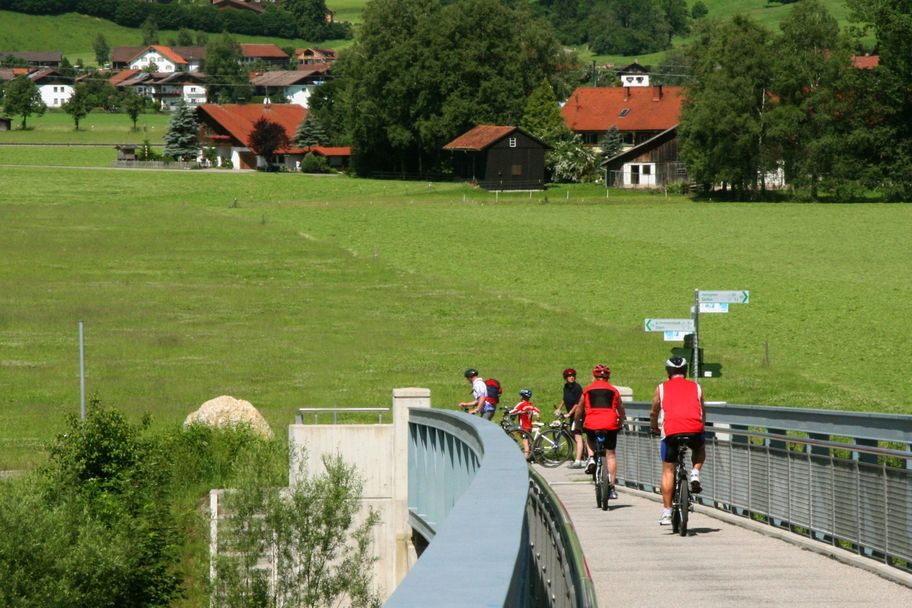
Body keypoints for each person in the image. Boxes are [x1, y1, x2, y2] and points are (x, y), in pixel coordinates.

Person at [649, 356, 706, 526]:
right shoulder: (696, 387)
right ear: (686, 370)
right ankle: (695, 473)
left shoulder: (661, 388)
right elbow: (703, 409)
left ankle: (667, 512)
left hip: (672, 431)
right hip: (694, 429)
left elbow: (654, 411)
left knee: (668, 470)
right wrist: (701, 426)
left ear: (668, 372)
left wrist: (654, 427)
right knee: (699, 448)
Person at [582, 364, 625, 500]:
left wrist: (577, 422)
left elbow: (579, 408)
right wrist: (621, 422)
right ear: (608, 377)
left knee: (589, 437)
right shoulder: (613, 391)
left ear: (594, 376)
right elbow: (621, 410)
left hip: (592, 422)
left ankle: (590, 458)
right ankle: (611, 488)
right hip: (610, 423)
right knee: (610, 455)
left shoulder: (588, 390)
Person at [554, 367, 586, 468]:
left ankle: (578, 461)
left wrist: (569, 413)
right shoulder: (566, 387)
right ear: (565, 378)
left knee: (577, 436)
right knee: (574, 434)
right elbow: (565, 399)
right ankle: (586, 454)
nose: (571, 377)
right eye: (569, 376)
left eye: (573, 376)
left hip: (578, 414)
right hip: (573, 415)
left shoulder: (577, 388)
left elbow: (577, 404)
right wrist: (559, 408)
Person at [509, 388, 541, 461]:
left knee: (525, 441)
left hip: (523, 427)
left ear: (522, 396)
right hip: (529, 426)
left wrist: (508, 411)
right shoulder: (530, 405)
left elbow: (513, 410)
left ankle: (525, 457)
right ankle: (531, 454)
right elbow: (537, 411)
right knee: (527, 439)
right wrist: (537, 416)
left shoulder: (521, 404)